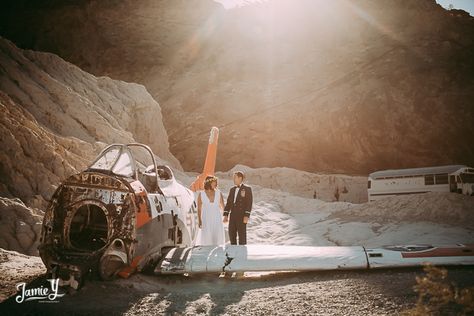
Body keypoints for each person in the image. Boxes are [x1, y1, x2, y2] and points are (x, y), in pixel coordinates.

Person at [223, 171, 253, 245]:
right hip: (233, 215)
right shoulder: (232, 189)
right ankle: (233, 253)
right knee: (231, 233)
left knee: (242, 235)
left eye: (235, 177)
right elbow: (229, 203)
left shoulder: (247, 189)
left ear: (240, 178)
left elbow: (249, 203)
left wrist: (246, 216)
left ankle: (241, 253)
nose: (233, 179)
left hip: (242, 215)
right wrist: (226, 215)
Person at [196, 175, 225, 245]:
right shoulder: (201, 194)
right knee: (207, 239)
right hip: (206, 218)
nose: (215, 184)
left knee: (217, 238)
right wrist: (200, 220)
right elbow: (199, 209)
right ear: (208, 183)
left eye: (216, 182)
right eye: (213, 182)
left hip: (217, 218)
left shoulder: (218, 193)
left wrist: (226, 216)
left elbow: (223, 207)